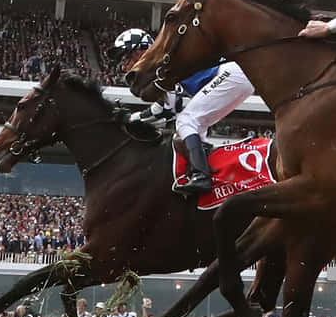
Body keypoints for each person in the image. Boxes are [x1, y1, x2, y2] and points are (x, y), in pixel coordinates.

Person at [108, 28, 254, 196]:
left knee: (186, 121)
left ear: (139, 51)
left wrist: (130, 118)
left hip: (229, 74)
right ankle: (211, 175)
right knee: (190, 131)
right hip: (234, 75)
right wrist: (132, 118)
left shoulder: (160, 62)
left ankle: (202, 176)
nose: (125, 66)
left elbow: (164, 111)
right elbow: (167, 111)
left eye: (126, 58)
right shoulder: (161, 59)